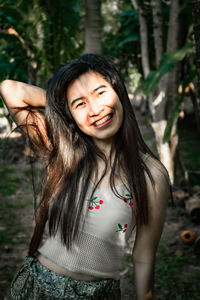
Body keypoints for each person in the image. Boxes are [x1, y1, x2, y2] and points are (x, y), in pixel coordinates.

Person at [0, 54, 170, 300]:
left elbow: (144, 257)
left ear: (118, 90)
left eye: (101, 93)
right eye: (80, 104)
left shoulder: (151, 175)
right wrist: (65, 105)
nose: (95, 110)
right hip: (35, 288)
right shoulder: (63, 153)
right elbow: (10, 89)